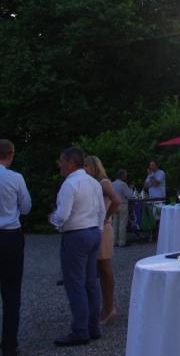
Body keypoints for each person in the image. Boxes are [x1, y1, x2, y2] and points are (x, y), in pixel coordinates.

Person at [49, 147, 105, 347]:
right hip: (93, 233)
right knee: (91, 282)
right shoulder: (93, 182)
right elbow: (101, 210)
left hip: (76, 235)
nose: (60, 165)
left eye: (62, 161)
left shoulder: (70, 184)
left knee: (75, 283)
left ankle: (80, 331)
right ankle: (93, 327)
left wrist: (53, 220)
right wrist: (98, 230)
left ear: (71, 162)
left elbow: (62, 215)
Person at [0, 139, 31, 356]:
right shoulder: (15, 178)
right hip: (10, 237)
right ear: (10, 154)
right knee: (11, 292)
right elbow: (27, 207)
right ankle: (9, 345)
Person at [83, 156, 122, 327]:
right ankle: (104, 308)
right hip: (96, 227)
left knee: (104, 269)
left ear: (94, 167)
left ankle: (109, 309)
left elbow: (117, 200)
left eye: (85, 165)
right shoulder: (91, 183)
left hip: (102, 228)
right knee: (98, 269)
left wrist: (107, 216)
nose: (83, 168)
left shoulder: (103, 182)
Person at [111, 169, 133, 247]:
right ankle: (121, 242)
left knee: (115, 224)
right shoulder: (123, 184)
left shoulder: (112, 184)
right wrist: (131, 188)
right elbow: (129, 195)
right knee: (122, 224)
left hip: (114, 204)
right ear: (123, 176)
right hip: (122, 204)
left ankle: (114, 242)